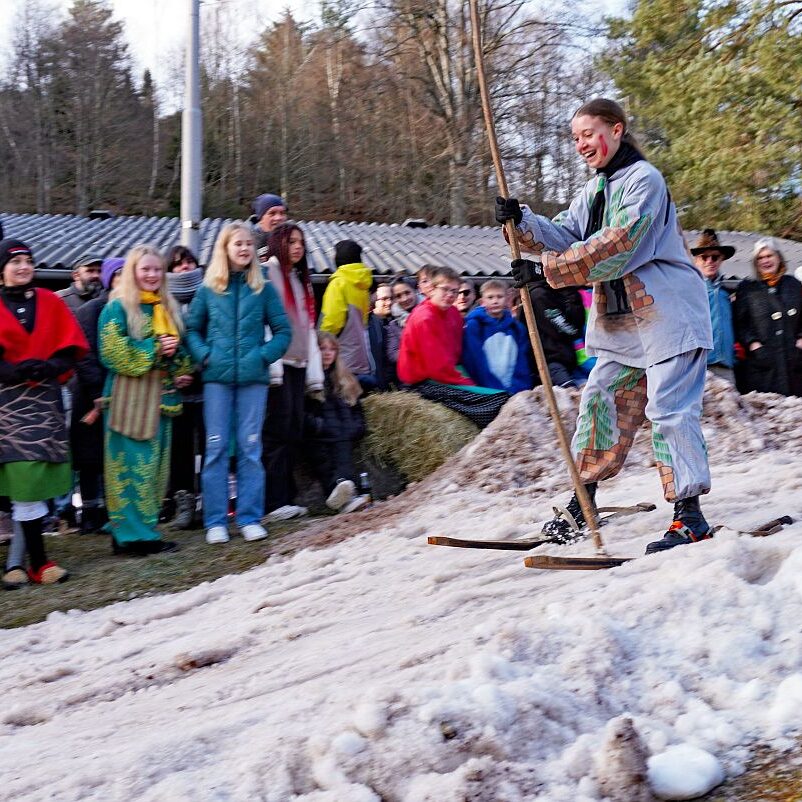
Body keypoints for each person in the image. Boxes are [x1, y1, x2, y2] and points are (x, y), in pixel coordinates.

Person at [496, 97, 714, 555]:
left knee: (669, 410)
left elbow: (619, 244)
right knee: (599, 402)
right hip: (622, 325)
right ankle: (585, 502)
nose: (581, 145)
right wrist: (522, 223)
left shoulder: (645, 181)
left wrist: (547, 272)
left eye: (588, 134)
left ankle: (690, 516)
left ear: (616, 130)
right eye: (575, 138)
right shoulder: (594, 191)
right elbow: (567, 235)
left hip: (668, 316)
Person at [186, 222, 291, 544]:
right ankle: (216, 520)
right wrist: (205, 357)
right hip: (216, 380)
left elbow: (284, 331)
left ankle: (249, 517)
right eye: (238, 244)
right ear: (225, 249)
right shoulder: (208, 289)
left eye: (248, 244)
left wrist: (262, 357)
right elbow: (192, 330)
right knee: (216, 448)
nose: (244, 249)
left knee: (249, 447)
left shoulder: (264, 288)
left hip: (252, 381)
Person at [0, 238, 88, 587]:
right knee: (22, 479)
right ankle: (30, 562)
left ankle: (29, 563)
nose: (23, 267)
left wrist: (49, 366)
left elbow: (73, 349)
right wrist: (14, 371)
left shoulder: (50, 302)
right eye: (15, 261)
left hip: (44, 402)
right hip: (6, 404)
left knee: (33, 480)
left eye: (28, 261)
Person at [99, 244, 193, 556]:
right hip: (129, 400)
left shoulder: (166, 307)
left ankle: (140, 531)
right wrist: (154, 350)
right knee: (130, 468)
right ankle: (133, 538)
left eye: (156, 270)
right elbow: (112, 352)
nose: (152, 275)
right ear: (132, 273)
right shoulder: (118, 308)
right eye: (145, 269)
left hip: (161, 399)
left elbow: (176, 351)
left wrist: (181, 370)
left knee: (154, 469)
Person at [261, 223, 323, 521]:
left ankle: (286, 496)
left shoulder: (300, 280)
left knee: (293, 430)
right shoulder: (267, 274)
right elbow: (264, 322)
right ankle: (273, 501)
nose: (298, 247)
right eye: (291, 242)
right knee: (276, 432)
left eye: (301, 242)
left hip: (298, 364)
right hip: (278, 364)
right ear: (278, 244)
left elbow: (307, 327)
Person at [398, 265, 509, 427]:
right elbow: (438, 368)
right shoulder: (424, 318)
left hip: (448, 373)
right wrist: (468, 383)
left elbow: (458, 353)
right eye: (445, 290)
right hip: (425, 383)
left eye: (454, 291)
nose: (450, 295)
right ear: (432, 289)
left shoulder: (453, 314)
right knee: (497, 402)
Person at [71, 257, 124, 534]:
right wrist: (98, 392)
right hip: (92, 393)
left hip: (118, 391)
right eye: (117, 275)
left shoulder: (131, 309)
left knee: (110, 454)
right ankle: (89, 513)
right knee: (90, 456)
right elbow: (85, 354)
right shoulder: (93, 309)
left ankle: (107, 511)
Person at [304, 332, 369, 514]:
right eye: (322, 348)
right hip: (319, 435)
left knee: (342, 455)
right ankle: (342, 492)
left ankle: (342, 493)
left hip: (343, 434)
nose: (327, 353)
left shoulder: (344, 378)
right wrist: (318, 426)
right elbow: (302, 412)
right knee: (323, 457)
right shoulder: (308, 378)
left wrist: (357, 427)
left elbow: (357, 408)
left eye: (332, 349)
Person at [164, 245, 205, 529]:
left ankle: (209, 502)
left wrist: (198, 370)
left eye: (189, 262)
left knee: (209, 446)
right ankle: (182, 505)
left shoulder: (209, 296)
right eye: (178, 264)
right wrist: (176, 373)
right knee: (179, 450)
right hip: (174, 389)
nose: (185, 268)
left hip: (207, 384)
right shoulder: (162, 303)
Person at [734, 238, 802, 397]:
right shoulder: (747, 288)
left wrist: (800, 338)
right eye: (760, 258)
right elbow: (740, 323)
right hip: (763, 364)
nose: (765, 261)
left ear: (778, 257)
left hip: (793, 359)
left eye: (769, 256)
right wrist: (753, 344)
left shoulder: (793, 285)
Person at [462, 279, 534, 394]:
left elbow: (522, 363)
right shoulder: (474, 326)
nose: (495, 301)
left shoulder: (517, 328)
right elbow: (475, 361)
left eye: (499, 297)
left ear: (506, 298)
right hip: (486, 390)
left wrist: (519, 389)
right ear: (482, 301)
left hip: (514, 390)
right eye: (490, 297)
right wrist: (493, 390)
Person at [319, 239, 373, 380]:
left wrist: (319, 343)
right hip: (360, 354)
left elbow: (332, 321)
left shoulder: (339, 283)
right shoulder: (363, 285)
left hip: (342, 355)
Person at [690, 229, 737, 384]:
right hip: (698, 367)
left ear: (721, 259)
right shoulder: (687, 289)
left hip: (726, 366)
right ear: (696, 260)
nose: (710, 261)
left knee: (730, 407)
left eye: (715, 257)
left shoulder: (729, 289)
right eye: (704, 257)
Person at [524, 279, 587, 387]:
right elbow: (569, 331)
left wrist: (571, 295)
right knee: (572, 393)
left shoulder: (568, 291)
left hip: (569, 359)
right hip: (549, 360)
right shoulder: (539, 295)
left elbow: (577, 327)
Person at [367, 283, 400, 390]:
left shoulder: (396, 322)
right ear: (374, 301)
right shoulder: (367, 325)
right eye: (384, 299)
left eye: (391, 298)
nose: (389, 302)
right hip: (376, 386)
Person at [252, 193, 288, 262]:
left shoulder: (292, 240)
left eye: (282, 213)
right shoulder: (249, 243)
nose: (278, 218)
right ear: (260, 219)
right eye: (272, 213)